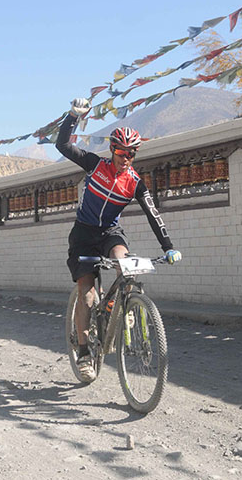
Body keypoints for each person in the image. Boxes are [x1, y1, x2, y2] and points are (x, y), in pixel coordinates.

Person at [56, 97, 182, 382]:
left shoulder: (135, 182)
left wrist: (169, 247)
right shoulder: (94, 165)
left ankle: (123, 304)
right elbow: (62, 146)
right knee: (87, 293)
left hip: (110, 232)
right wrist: (73, 117)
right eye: (123, 153)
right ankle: (86, 351)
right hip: (84, 234)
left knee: (124, 263)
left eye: (132, 154)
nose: (127, 158)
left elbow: (153, 214)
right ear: (112, 150)